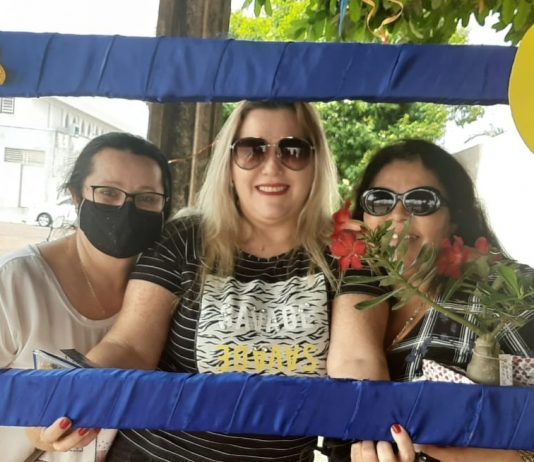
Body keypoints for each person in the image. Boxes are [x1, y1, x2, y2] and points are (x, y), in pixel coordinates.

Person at [47, 101, 390, 461]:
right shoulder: (185, 237)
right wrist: (71, 396)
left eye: (293, 150)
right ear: (229, 164)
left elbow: (356, 359)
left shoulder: (349, 249)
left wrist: (373, 433)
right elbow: (131, 346)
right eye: (252, 149)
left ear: (316, 162)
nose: (272, 166)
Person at [346, 139, 534, 462]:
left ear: (454, 219)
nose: (398, 215)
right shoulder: (340, 299)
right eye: (380, 200)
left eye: (421, 201)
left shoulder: (503, 291)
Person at [0, 132, 173, 462]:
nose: (126, 207)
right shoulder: (13, 282)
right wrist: (34, 423)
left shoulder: (166, 290)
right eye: (108, 192)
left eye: (147, 198)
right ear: (76, 196)